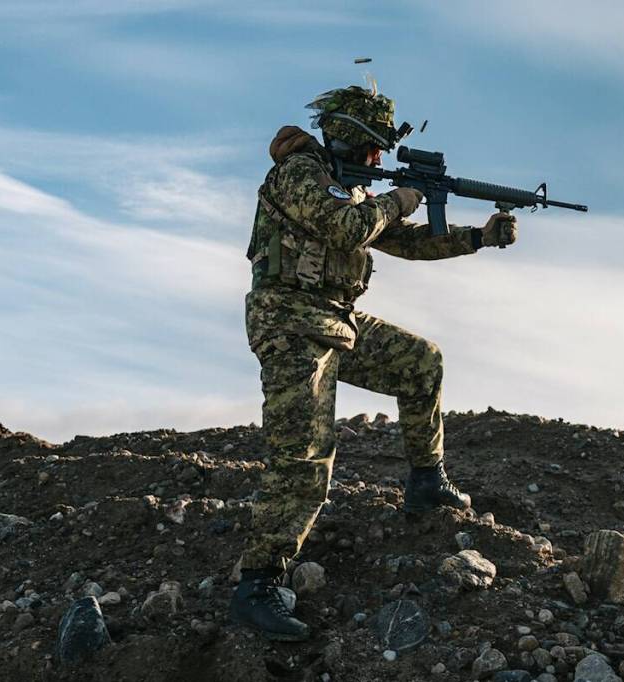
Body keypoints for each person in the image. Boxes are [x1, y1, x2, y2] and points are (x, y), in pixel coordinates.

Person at [229, 85, 518, 640]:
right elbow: (348, 228)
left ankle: (426, 480)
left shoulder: (347, 186)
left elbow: (404, 242)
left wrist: (478, 237)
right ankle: (258, 583)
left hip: (336, 318)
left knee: (420, 363)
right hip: (290, 323)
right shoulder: (300, 175)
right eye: (373, 151)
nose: (379, 162)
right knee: (306, 457)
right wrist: (398, 199)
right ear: (351, 139)